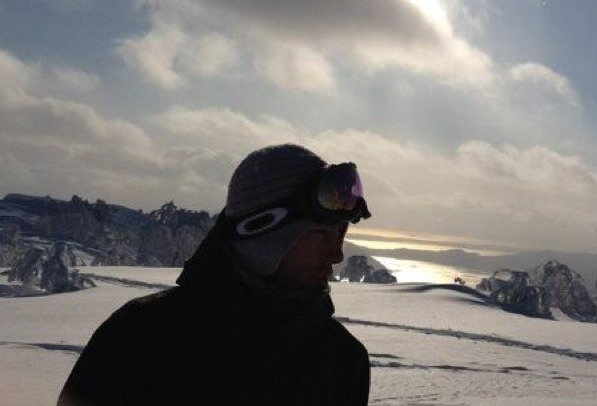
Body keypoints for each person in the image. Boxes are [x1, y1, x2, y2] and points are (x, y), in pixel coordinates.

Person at [57, 144, 372, 406]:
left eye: (340, 235)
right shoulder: (140, 336)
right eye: (319, 235)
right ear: (262, 238)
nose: (337, 254)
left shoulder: (341, 360)